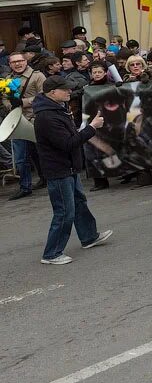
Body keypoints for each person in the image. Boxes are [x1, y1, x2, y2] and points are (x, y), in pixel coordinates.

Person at [33, 76, 113, 264]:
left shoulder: (56, 109)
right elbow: (67, 143)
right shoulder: (47, 116)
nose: (70, 92)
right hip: (59, 170)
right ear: (53, 92)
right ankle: (51, 253)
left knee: (79, 203)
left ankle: (89, 237)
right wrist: (92, 128)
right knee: (64, 211)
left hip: (68, 167)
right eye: (66, 89)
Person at [4, 51, 45, 200]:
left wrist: (23, 102)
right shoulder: (7, 79)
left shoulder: (37, 76)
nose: (18, 64)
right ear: (10, 64)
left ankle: (45, 178)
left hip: (35, 119)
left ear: (25, 61)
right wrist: (10, 105)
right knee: (21, 157)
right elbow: (4, 98)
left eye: (20, 61)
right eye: (14, 62)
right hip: (18, 121)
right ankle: (25, 186)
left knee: (37, 153)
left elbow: (45, 95)